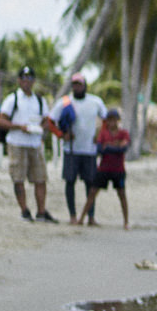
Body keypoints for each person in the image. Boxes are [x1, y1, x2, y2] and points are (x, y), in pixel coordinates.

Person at [0, 65, 56, 222]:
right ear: (19, 80)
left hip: (35, 144)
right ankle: (24, 211)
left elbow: (47, 121)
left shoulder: (39, 100)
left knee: (40, 178)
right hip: (17, 143)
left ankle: (41, 212)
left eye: (29, 79)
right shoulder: (12, 99)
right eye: (23, 78)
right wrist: (19, 127)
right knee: (18, 178)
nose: (26, 82)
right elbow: (1, 120)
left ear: (34, 81)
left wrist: (41, 128)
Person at [54, 72, 108, 225]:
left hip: (90, 150)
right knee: (70, 182)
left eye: (80, 84)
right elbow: (51, 121)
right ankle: (72, 215)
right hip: (71, 150)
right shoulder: (64, 102)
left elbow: (106, 119)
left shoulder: (95, 102)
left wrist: (100, 135)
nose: (77, 87)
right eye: (75, 84)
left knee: (91, 183)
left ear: (85, 85)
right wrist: (61, 135)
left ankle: (90, 216)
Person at [84, 107, 130, 229]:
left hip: (118, 170)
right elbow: (99, 150)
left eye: (114, 120)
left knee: (121, 194)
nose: (112, 123)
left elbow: (123, 149)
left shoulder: (123, 133)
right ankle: (81, 218)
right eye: (109, 120)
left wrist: (108, 146)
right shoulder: (103, 134)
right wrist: (115, 146)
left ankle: (126, 222)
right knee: (92, 192)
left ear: (117, 120)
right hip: (104, 169)